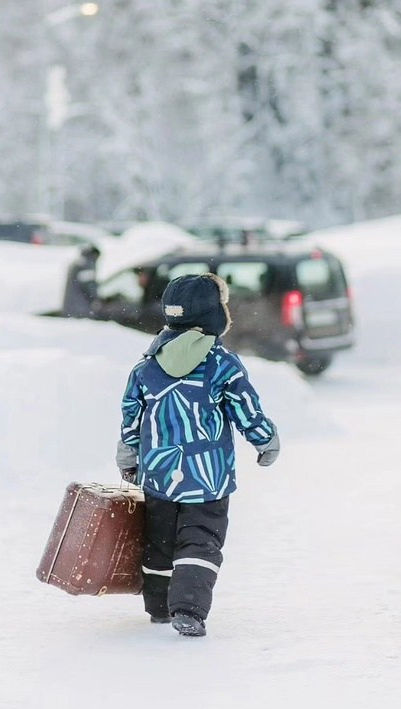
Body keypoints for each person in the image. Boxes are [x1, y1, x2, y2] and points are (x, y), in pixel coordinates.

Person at [116, 273, 279, 638]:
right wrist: (265, 440)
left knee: (159, 540)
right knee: (200, 539)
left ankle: (159, 606)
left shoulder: (147, 366)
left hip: (159, 474)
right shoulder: (223, 365)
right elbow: (246, 409)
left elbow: (131, 415)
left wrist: (129, 455)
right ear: (214, 316)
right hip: (208, 476)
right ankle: (188, 608)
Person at [62, 243, 101, 317]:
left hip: (71, 307)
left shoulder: (78, 263)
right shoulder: (86, 265)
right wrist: (96, 299)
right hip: (81, 309)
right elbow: (90, 287)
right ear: (95, 255)